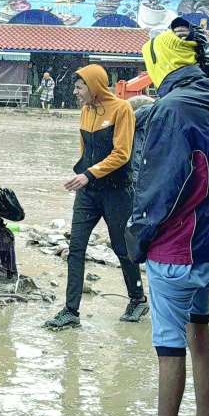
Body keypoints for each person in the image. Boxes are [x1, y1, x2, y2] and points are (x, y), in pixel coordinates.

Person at [105, 20, 209, 416]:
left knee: (168, 345)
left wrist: (136, 242)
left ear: (159, 64)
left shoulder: (171, 110)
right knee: (199, 329)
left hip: (176, 248)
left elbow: (160, 188)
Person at [45, 64, 147, 330]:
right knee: (76, 248)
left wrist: (89, 173)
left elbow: (122, 154)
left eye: (79, 87)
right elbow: (85, 149)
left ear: (94, 86)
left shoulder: (122, 110)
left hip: (117, 192)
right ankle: (70, 311)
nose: (76, 92)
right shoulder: (85, 111)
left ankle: (137, 299)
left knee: (121, 248)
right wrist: (82, 174)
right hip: (88, 193)